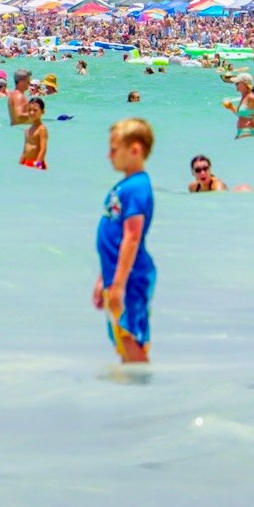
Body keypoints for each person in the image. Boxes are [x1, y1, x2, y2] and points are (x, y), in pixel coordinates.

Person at [93, 118, 156, 364]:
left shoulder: (138, 187)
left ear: (135, 150)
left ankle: (143, 389)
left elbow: (132, 236)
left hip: (131, 276)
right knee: (120, 336)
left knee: (132, 337)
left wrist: (119, 285)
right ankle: (130, 388)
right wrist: (103, 278)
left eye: (113, 149)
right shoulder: (124, 186)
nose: (109, 156)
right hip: (116, 274)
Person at [222, 73, 254, 139]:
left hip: (248, 132)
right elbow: (241, 115)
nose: (235, 84)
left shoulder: (250, 96)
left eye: (237, 83)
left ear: (245, 84)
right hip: (242, 133)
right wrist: (231, 107)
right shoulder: (244, 97)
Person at [20, 96, 48, 169]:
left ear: (42, 112)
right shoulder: (27, 130)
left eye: (35, 110)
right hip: (26, 162)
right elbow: (25, 150)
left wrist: (37, 165)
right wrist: (20, 163)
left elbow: (43, 149)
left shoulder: (42, 129)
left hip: (37, 163)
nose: (32, 112)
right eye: (29, 110)